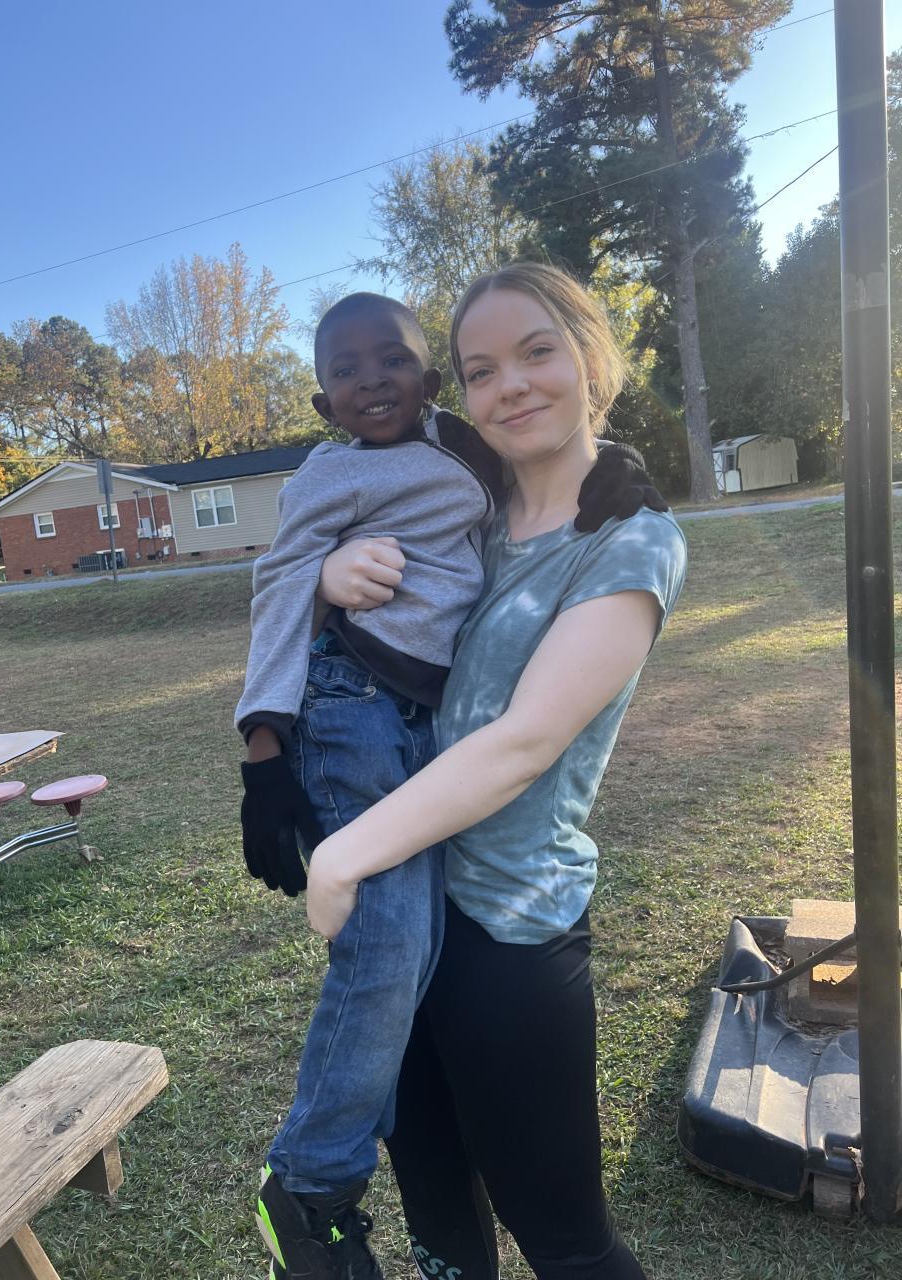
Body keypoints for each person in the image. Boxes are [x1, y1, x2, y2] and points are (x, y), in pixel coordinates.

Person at [305, 262, 686, 1280]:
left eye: (536, 352)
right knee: (438, 1222)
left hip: (507, 930)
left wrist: (342, 854)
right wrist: (325, 577)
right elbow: (331, 534)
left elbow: (524, 743)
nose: (509, 385)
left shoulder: (630, 540)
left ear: (588, 357)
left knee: (566, 1244)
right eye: (480, 370)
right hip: (405, 916)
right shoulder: (463, 507)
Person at [235, 291, 506, 1280]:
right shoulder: (329, 473)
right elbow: (279, 585)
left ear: (429, 378)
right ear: (323, 403)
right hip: (348, 700)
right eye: (345, 370)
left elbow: (543, 469)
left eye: (390, 359)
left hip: (430, 719)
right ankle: (309, 1187)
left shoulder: (465, 446)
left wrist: (620, 469)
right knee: (386, 940)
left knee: (418, 947)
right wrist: (263, 751)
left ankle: (357, 1183)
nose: (371, 380)